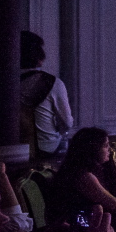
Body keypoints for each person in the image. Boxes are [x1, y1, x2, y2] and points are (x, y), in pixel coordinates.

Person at [49, 127, 116, 223]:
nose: (110, 149)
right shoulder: (82, 176)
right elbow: (114, 204)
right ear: (93, 149)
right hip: (76, 228)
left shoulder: (82, 169)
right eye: (105, 145)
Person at [20, 30, 74, 158]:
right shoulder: (52, 82)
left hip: (14, 148)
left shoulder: (4, 83)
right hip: (45, 149)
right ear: (40, 58)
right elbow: (67, 122)